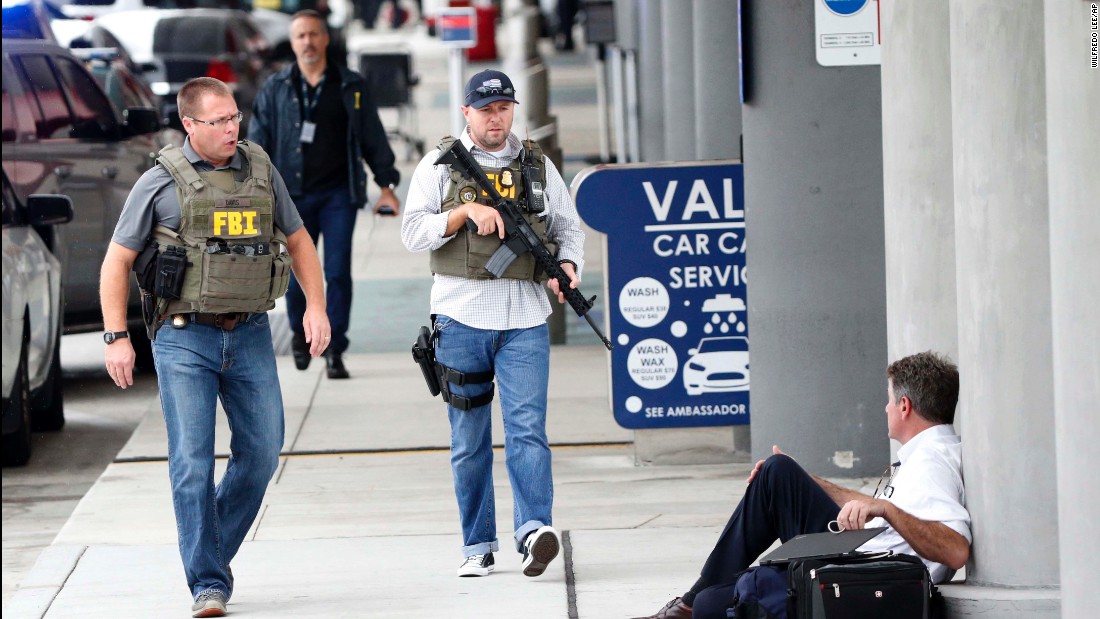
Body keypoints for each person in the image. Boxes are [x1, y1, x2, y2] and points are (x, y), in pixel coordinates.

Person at [100, 77, 330, 618]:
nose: (232, 129)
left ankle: (207, 556)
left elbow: (297, 241)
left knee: (263, 452)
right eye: (219, 121)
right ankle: (208, 582)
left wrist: (315, 307)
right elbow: (117, 261)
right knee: (192, 463)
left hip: (249, 333)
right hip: (184, 339)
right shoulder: (158, 184)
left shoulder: (260, 170)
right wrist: (115, 337)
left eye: (235, 118)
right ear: (189, 125)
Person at [401, 69, 586, 579]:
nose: (495, 118)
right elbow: (413, 233)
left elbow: (569, 229)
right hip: (461, 319)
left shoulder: (536, 164)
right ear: (467, 113)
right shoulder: (440, 165)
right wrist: (463, 215)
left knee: (528, 431)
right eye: (485, 110)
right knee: (470, 439)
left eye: (503, 108)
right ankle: (478, 544)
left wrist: (568, 268)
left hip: (525, 319)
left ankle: (533, 532)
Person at [631, 351, 971, 619]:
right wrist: (808, 482)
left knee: (712, 603)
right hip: (862, 556)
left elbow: (955, 550)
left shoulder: (932, 463)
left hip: (867, 577)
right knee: (779, 473)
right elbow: (883, 515)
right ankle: (689, 604)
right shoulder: (925, 454)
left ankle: (689, 604)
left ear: (904, 406)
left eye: (887, 399)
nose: (884, 408)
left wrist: (887, 508)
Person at [249, 9, 401, 379]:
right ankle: (302, 335)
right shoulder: (275, 88)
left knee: (337, 271)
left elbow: (371, 137)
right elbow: (257, 143)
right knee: (297, 272)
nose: (308, 42)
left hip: (338, 195)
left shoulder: (350, 85)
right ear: (293, 41)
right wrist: (253, 191)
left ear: (325, 38)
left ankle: (335, 348)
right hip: (291, 197)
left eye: (314, 34)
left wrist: (387, 185)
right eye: (300, 36)